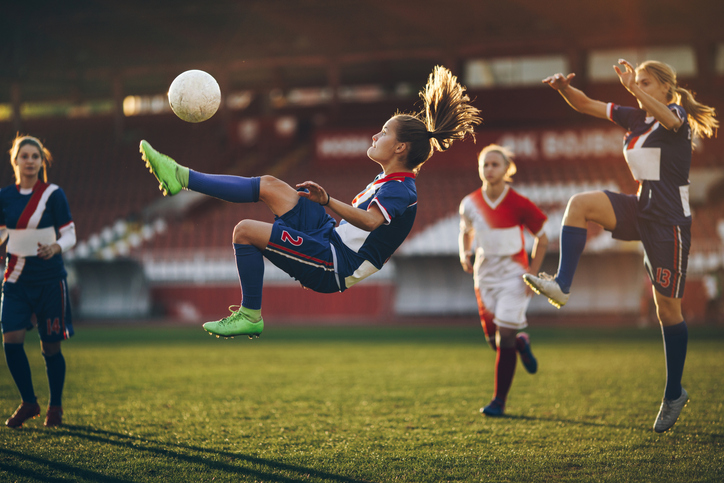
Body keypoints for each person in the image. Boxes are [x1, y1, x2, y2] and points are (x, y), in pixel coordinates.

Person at [140, 66, 482, 338]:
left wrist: (329, 200)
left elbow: (371, 223)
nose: (376, 136)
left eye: (384, 132)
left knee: (244, 231)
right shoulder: (387, 181)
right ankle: (180, 176)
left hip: (336, 264)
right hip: (329, 236)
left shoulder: (402, 188)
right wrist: (327, 205)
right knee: (272, 185)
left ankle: (250, 315)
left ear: (400, 148)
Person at [525, 59, 718, 432]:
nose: (639, 86)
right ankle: (562, 286)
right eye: (638, 81)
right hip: (640, 209)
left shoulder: (674, 115)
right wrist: (564, 88)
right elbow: (586, 105)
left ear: (666, 88)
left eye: (647, 82)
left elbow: (672, 120)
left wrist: (633, 88)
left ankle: (674, 391)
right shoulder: (635, 118)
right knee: (579, 203)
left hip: (669, 225)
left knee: (667, 311)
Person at [459, 144, 548, 417]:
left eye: (495, 164)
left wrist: (531, 273)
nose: (489, 169)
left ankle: (499, 402)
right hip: (484, 278)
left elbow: (542, 239)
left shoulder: (520, 203)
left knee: (505, 335)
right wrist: (466, 254)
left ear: (507, 169)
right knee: (495, 341)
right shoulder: (469, 203)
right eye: (485, 164)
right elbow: (466, 232)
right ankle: (522, 343)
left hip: (514, 278)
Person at [1, 135, 76, 428]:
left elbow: (69, 234)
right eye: (25, 156)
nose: (30, 161)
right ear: (15, 161)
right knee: (11, 342)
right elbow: (2, 234)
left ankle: (54, 406)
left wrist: (56, 247)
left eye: (35, 156)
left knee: (50, 348)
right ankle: (29, 402)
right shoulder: (4, 196)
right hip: (16, 279)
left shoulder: (53, 194)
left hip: (49, 280)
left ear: (41, 162)